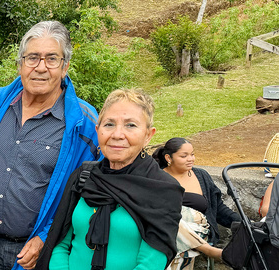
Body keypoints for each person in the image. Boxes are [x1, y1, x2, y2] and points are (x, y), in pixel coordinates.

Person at [0, 20, 100, 270]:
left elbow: (88, 195)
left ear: (65, 67)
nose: (41, 67)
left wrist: (46, 237)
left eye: (51, 59)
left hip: (41, 253)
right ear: (20, 64)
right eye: (32, 58)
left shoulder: (84, 123)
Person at [37, 88, 184, 270]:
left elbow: (152, 262)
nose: (117, 134)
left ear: (148, 135)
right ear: (98, 131)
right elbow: (60, 242)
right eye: (109, 124)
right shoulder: (84, 177)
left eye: (131, 125)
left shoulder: (162, 189)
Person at [153, 137, 240, 269]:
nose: (191, 159)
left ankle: (197, 244)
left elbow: (218, 208)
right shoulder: (156, 178)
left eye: (192, 154)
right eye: (184, 156)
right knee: (170, 217)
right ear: (168, 158)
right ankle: (207, 250)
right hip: (165, 231)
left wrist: (242, 221)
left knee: (175, 238)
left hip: (198, 232)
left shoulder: (201, 176)